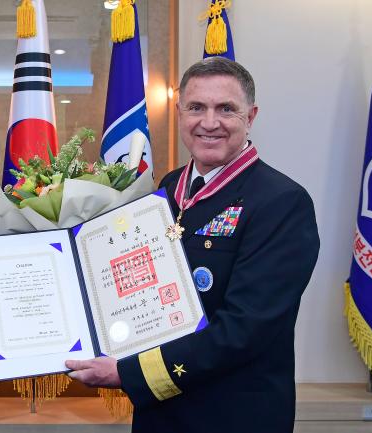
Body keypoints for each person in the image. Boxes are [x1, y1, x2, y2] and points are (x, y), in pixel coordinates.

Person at [66, 57, 320, 433]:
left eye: (226, 109)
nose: (210, 122)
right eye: (197, 107)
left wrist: (130, 372)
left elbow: (244, 329)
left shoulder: (282, 201)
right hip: (161, 414)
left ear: (250, 116)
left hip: (234, 414)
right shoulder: (167, 188)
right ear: (179, 112)